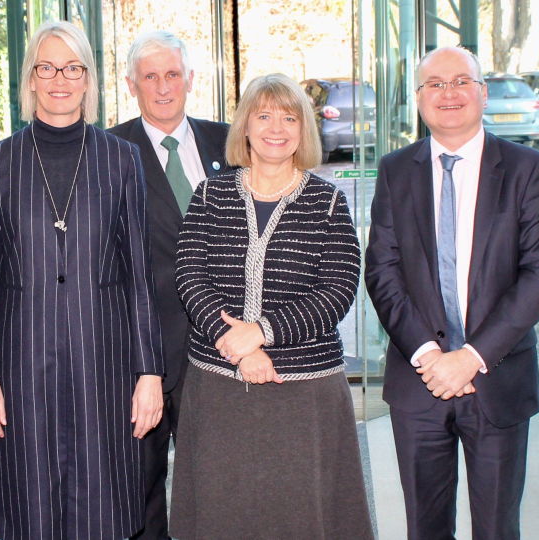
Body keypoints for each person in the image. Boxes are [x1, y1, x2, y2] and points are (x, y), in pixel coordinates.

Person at [0, 20, 165, 540]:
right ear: (30, 78)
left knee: (103, 506)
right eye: (48, 67)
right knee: (29, 508)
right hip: (20, 370)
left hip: (104, 366)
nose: (60, 78)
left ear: (88, 79)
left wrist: (150, 372)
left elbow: (139, 276)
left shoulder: (120, 159)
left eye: (73, 67)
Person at [169, 73, 374, 540]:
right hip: (221, 391)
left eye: (288, 117)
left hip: (304, 399)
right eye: (263, 115)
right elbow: (189, 274)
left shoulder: (328, 202)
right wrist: (236, 344)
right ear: (245, 126)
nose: (275, 127)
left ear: (304, 130)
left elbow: (339, 290)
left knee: (302, 518)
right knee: (225, 515)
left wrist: (261, 332)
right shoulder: (210, 195)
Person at [365, 46, 539, 540]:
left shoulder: (526, 169)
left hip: (497, 380)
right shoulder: (394, 170)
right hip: (419, 383)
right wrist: (430, 355)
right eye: (435, 84)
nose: (448, 93)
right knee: (424, 529)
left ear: (482, 93)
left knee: (496, 528)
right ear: (419, 99)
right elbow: (382, 271)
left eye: (460, 82)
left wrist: (470, 357)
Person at [107, 30, 230, 540]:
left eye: (172, 74)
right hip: (143, 359)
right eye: (150, 77)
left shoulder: (231, 141)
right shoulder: (109, 151)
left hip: (223, 353)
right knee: (142, 493)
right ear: (132, 84)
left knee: (223, 488)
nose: (163, 87)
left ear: (191, 80)